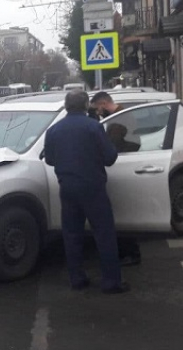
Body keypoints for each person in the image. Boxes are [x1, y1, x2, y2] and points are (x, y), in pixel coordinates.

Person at [44, 90, 129, 294]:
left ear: (66, 106)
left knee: (72, 235)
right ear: (85, 106)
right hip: (93, 187)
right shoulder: (94, 127)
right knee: (104, 234)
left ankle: (77, 279)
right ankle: (111, 282)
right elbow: (110, 157)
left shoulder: (54, 130)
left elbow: (50, 160)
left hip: (67, 188)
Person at [89, 91, 142, 266]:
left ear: (103, 104)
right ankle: (128, 252)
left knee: (122, 215)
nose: (98, 113)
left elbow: (111, 147)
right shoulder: (120, 116)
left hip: (123, 165)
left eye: (98, 109)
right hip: (125, 163)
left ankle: (130, 253)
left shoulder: (118, 120)